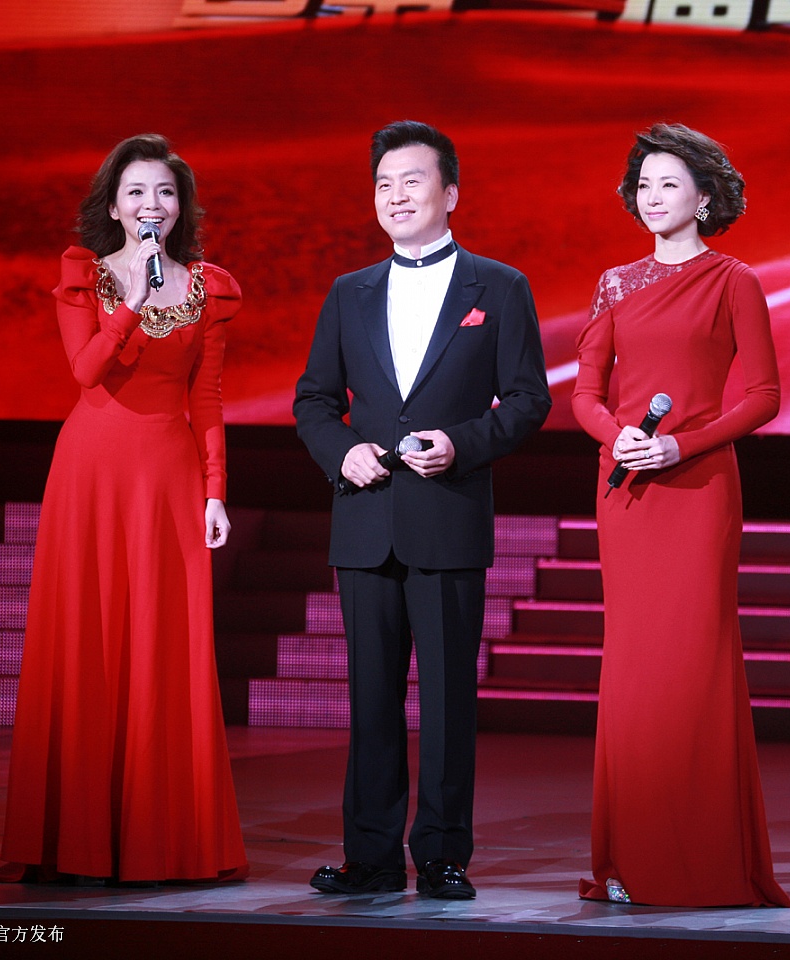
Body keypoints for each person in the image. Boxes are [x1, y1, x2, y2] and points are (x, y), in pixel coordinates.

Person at [0, 134, 247, 883]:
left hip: (166, 475)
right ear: (115, 206)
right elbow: (87, 369)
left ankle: (160, 838)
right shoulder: (83, 276)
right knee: (85, 638)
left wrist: (215, 490)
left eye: (164, 192)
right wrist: (131, 301)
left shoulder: (210, 288)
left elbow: (207, 396)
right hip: (91, 471)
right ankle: (75, 840)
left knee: (164, 643)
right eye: (136, 192)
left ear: (181, 207)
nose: (151, 205)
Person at [294, 121, 550, 900]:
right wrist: (343, 452)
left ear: (451, 193)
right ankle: (370, 857)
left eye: (412, 180)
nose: (396, 195)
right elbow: (313, 401)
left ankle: (441, 853)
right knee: (370, 700)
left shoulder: (498, 287)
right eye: (384, 184)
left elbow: (529, 399)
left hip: (448, 516)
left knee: (446, 701)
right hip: (366, 520)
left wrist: (460, 444)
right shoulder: (349, 292)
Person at [572, 122, 790, 908]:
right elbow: (586, 393)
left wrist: (681, 445)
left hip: (699, 492)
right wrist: (619, 437)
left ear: (704, 198)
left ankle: (703, 859)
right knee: (632, 669)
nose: (653, 197)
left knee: (695, 667)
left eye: (669, 184)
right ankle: (628, 859)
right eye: (644, 185)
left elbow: (764, 396)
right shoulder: (614, 283)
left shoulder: (735, 280)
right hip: (627, 490)